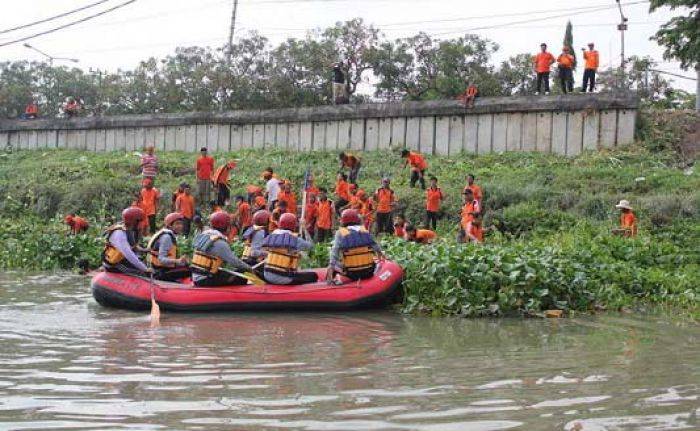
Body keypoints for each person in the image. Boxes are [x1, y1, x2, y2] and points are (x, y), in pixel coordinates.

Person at [190, 211, 254, 287]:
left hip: (198, 276)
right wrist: (250, 268)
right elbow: (235, 262)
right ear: (226, 226)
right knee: (242, 272)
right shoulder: (220, 243)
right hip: (205, 280)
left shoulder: (205, 235)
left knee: (230, 272)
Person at [326, 209, 386, 283]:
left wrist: (331, 266)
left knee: (333, 259)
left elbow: (334, 252)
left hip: (351, 274)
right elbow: (376, 247)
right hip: (369, 272)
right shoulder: (364, 231)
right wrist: (381, 255)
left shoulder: (340, 233)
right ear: (357, 220)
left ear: (343, 221)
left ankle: (333, 280)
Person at [262, 213, 318, 285]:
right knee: (313, 276)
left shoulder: (272, 235)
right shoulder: (296, 240)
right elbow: (312, 247)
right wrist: (304, 228)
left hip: (267, 275)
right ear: (293, 225)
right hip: (284, 278)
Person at [102, 207, 150, 276]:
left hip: (121, 260)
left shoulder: (127, 229)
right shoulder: (120, 234)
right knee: (142, 272)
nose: (142, 224)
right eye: (140, 221)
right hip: (114, 265)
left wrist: (145, 250)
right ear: (134, 221)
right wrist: (145, 269)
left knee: (142, 264)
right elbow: (129, 254)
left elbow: (134, 246)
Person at [147, 212, 190, 281]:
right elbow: (161, 259)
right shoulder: (166, 237)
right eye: (177, 223)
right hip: (159, 272)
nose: (180, 226)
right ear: (170, 225)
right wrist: (177, 261)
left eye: (181, 224)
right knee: (190, 271)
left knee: (186, 265)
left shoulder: (168, 235)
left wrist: (180, 262)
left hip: (162, 269)